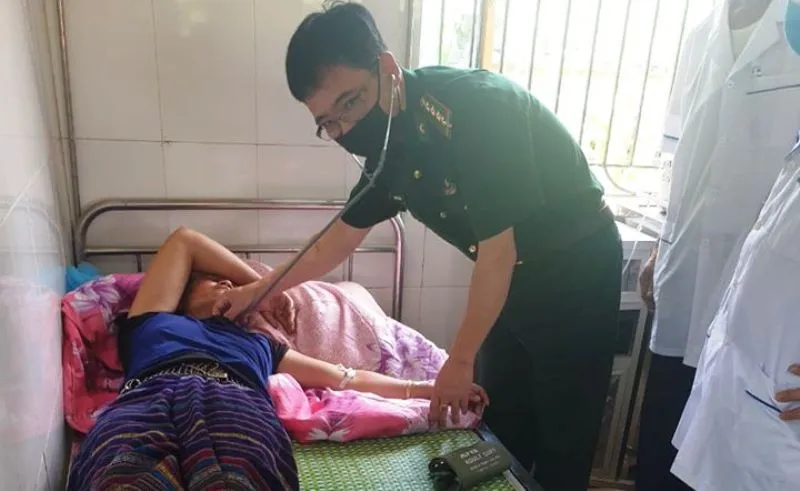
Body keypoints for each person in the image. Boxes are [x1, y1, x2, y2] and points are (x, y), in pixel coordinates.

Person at [213, 2, 622, 489]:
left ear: (387, 68)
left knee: (563, 434)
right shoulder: (389, 150)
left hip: (576, 270)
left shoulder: (481, 111)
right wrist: (255, 292)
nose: (346, 128)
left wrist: (460, 360)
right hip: (515, 278)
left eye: (350, 103)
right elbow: (332, 244)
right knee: (504, 425)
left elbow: (498, 253)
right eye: (329, 122)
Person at [66, 226, 488, 490]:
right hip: (147, 398)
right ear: (183, 292)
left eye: (231, 283)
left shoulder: (259, 344)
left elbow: (347, 378)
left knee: (238, 479)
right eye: (215, 280)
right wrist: (264, 286)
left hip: (237, 405)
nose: (226, 284)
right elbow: (185, 241)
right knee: (120, 475)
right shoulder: (151, 320)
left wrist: (429, 389)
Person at [635, 1, 800, 488]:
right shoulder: (700, 37)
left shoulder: (791, 30)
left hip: (768, 341)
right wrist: (661, 247)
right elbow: (680, 158)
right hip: (689, 277)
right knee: (664, 438)